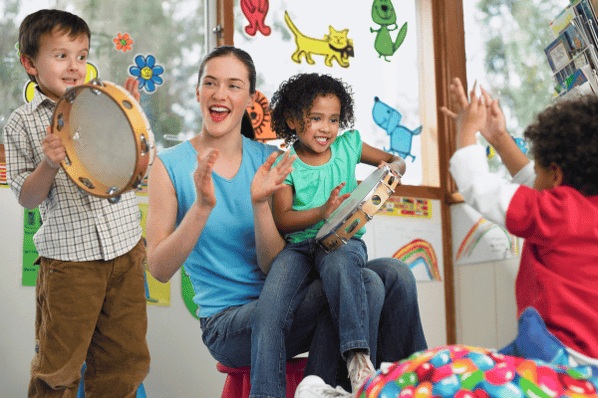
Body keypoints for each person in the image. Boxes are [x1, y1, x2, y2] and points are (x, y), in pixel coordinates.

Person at [146, 46, 427, 398]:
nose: (220, 94)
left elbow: (272, 263)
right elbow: (157, 268)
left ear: (249, 96)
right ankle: (329, 388)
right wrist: (202, 207)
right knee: (366, 283)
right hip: (229, 323)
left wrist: (261, 204)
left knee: (396, 274)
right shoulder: (169, 165)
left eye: (234, 85)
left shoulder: (276, 162)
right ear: (198, 91)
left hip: (289, 299)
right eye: (210, 83)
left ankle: (411, 383)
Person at [2, 9, 150, 397]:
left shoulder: (102, 100)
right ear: (29, 63)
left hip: (125, 249)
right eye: (61, 55)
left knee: (125, 362)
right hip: (69, 263)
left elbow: (130, 166)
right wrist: (49, 164)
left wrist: (126, 119)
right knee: (58, 369)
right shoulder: (21, 122)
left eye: (82, 56)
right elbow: (26, 196)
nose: (74, 66)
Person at [255, 72, 406, 393]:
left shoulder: (348, 145)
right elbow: (283, 219)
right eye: (316, 118)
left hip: (341, 242)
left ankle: (357, 357)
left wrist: (392, 171)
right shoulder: (287, 163)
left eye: (334, 119)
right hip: (298, 248)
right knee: (270, 308)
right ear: (293, 121)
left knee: (342, 265)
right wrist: (323, 212)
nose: (326, 128)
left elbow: (394, 160)